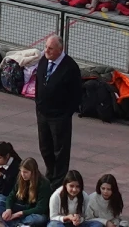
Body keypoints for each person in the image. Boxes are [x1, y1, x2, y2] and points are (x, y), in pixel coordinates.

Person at [35, 35, 82, 187]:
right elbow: (38, 83)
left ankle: (58, 181)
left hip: (59, 117)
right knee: (45, 147)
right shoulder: (44, 60)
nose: (46, 50)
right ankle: (51, 173)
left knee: (60, 151)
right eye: (46, 47)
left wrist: (65, 114)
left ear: (60, 49)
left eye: (50, 48)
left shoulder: (70, 67)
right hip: (43, 113)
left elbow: (76, 94)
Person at [0, 157, 51, 227]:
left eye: (26, 172)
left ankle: (13, 222)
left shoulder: (44, 183)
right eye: (21, 171)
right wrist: (8, 209)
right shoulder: (21, 178)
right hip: (21, 207)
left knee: (39, 219)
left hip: (34, 212)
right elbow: (11, 195)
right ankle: (19, 224)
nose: (23, 174)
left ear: (33, 172)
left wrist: (19, 214)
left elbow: (40, 208)